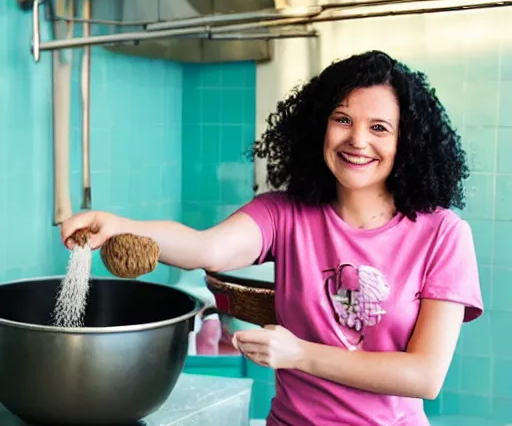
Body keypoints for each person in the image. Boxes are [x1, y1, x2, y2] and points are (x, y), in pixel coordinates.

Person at [61, 50, 483, 426]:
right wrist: (120, 224)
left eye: (379, 127)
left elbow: (425, 376)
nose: (357, 140)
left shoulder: (443, 235)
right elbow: (206, 248)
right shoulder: (284, 213)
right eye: (342, 119)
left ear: (406, 142)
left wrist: (301, 355)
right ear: (320, 126)